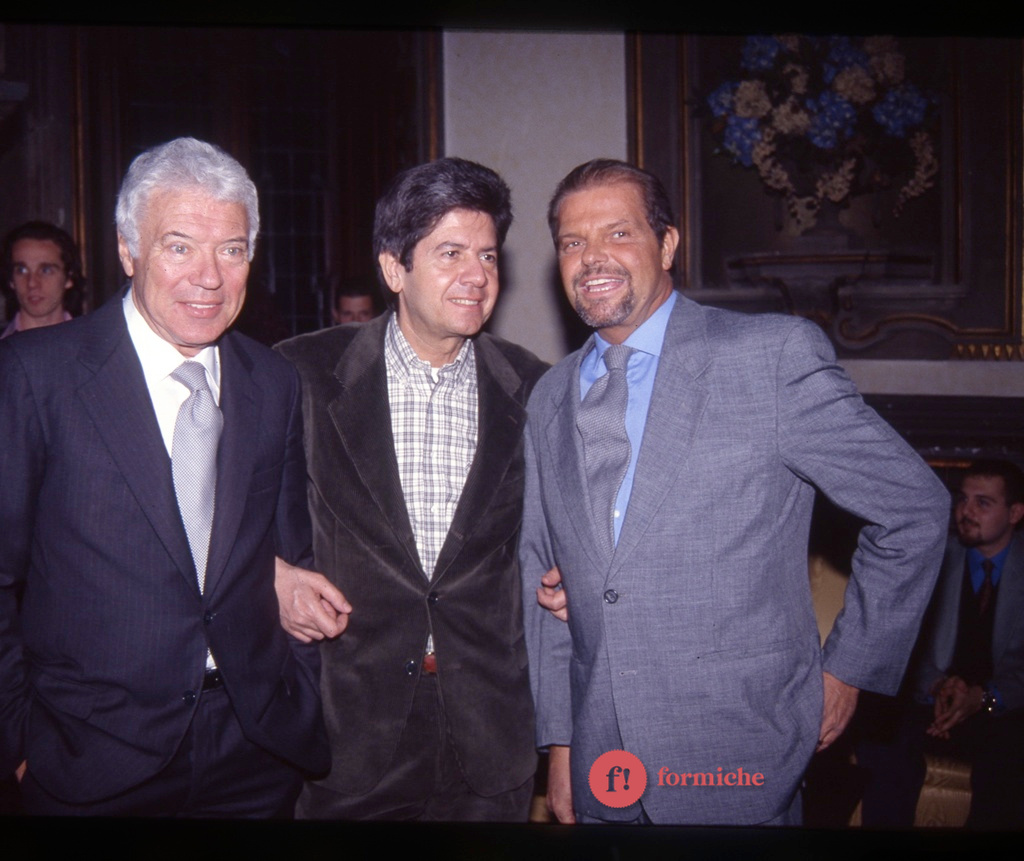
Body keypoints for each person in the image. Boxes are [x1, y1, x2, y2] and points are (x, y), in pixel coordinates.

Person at [520, 159, 950, 826]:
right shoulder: (549, 397)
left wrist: (848, 670)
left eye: (618, 233)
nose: (592, 258)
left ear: (667, 244)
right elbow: (547, 580)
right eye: (573, 242)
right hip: (602, 759)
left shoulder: (768, 358)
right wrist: (561, 743)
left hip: (736, 750)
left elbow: (913, 508)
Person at [0, 137, 327, 817]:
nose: (209, 277)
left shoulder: (273, 381)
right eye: (180, 246)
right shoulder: (33, 375)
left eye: (232, 250)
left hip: (255, 752)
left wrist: (301, 690)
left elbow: (292, 554)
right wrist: (18, 743)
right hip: (89, 757)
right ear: (127, 250)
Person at [274, 157, 547, 820]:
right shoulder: (301, 375)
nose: (477, 275)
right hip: (349, 736)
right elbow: (217, 513)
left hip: (490, 740)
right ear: (394, 269)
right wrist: (267, 573)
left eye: (487, 255)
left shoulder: (535, 388)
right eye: (451, 253)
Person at [860, 459, 1024, 828]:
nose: (966, 511)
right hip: (930, 701)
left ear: (1015, 513)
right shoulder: (934, 558)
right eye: (962, 499)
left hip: (1002, 711)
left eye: (983, 503)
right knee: (882, 740)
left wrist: (983, 697)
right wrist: (937, 686)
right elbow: (904, 643)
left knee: (1008, 761)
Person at [0, 221, 83, 409]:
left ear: (69, 278)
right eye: (21, 270)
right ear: (11, 280)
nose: (32, 283)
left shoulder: (95, 350)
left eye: (46, 270)